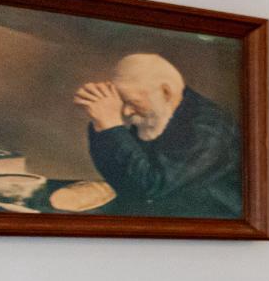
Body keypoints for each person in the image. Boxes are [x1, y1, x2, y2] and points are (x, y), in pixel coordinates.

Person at [72, 54, 243, 218]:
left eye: (132, 102)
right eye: (122, 102)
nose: (126, 112)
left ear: (166, 92)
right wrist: (101, 123)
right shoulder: (156, 114)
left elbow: (152, 186)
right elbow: (122, 177)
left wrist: (110, 124)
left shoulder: (209, 127)